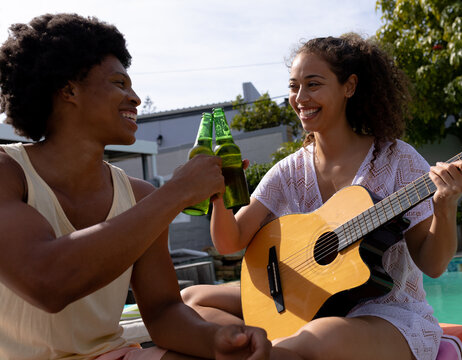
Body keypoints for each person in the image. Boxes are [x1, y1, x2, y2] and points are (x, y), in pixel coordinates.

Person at [181, 33, 462, 360]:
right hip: (304, 305)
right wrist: (217, 196)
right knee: (190, 299)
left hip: (386, 316)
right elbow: (230, 241)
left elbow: (433, 265)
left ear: (349, 87)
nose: (300, 97)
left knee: (316, 337)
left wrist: (445, 207)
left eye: (313, 84)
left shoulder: (397, 161)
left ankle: (254, 347)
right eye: (294, 86)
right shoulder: (288, 171)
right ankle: (257, 344)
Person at [0, 13, 270, 360]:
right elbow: (48, 282)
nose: (136, 98)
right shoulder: (8, 171)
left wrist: (216, 339)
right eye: (119, 83)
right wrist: (177, 192)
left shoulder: (140, 196)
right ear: (69, 90)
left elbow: (162, 311)